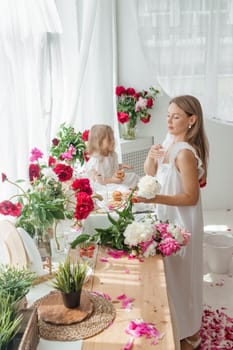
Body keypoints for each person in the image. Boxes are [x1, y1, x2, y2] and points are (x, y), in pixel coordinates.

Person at [136, 95, 209, 350]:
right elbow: (149, 172)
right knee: (170, 274)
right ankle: (175, 321)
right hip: (167, 219)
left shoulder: (185, 153)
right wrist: (151, 155)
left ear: (192, 120)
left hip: (182, 222)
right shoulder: (169, 142)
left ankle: (188, 330)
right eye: (168, 115)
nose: (169, 120)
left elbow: (191, 197)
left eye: (176, 116)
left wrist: (154, 197)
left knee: (182, 275)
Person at [84, 124, 139, 192]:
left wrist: (121, 166)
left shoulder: (110, 154)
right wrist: (112, 180)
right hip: (105, 185)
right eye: (109, 139)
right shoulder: (96, 161)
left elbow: (110, 168)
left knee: (133, 177)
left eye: (113, 138)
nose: (113, 141)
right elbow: (99, 181)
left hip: (113, 179)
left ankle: (136, 193)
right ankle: (128, 194)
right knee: (124, 188)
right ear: (99, 143)